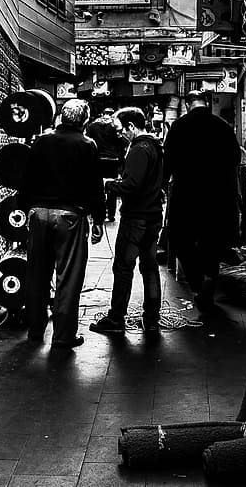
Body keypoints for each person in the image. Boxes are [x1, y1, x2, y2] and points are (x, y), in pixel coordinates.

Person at [17, 98, 106, 349]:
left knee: (36, 273)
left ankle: (35, 331)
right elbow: (94, 186)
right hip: (69, 216)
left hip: (38, 213)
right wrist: (98, 218)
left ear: (62, 117)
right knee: (68, 277)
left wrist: (25, 210)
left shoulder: (42, 140)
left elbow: (27, 178)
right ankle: (63, 336)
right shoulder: (87, 145)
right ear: (84, 121)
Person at [162, 89, 241, 312]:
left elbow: (167, 162)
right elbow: (235, 159)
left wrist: (160, 187)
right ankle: (209, 277)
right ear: (206, 103)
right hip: (218, 196)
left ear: (187, 105)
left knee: (180, 240)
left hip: (186, 195)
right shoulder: (223, 126)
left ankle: (197, 283)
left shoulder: (178, 127)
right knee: (212, 242)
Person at [90, 107, 164, 337]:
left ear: (132, 127)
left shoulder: (139, 149)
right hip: (153, 215)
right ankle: (152, 318)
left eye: (121, 129)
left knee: (123, 267)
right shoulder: (156, 147)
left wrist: (109, 184)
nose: (119, 134)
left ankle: (116, 318)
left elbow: (132, 185)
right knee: (150, 267)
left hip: (136, 218)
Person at [86, 105, 124, 221]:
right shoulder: (115, 126)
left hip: (98, 159)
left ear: (102, 114)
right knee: (112, 186)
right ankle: (111, 214)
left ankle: (96, 211)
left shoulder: (93, 125)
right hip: (112, 160)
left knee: (96, 185)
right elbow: (121, 142)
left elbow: (88, 140)